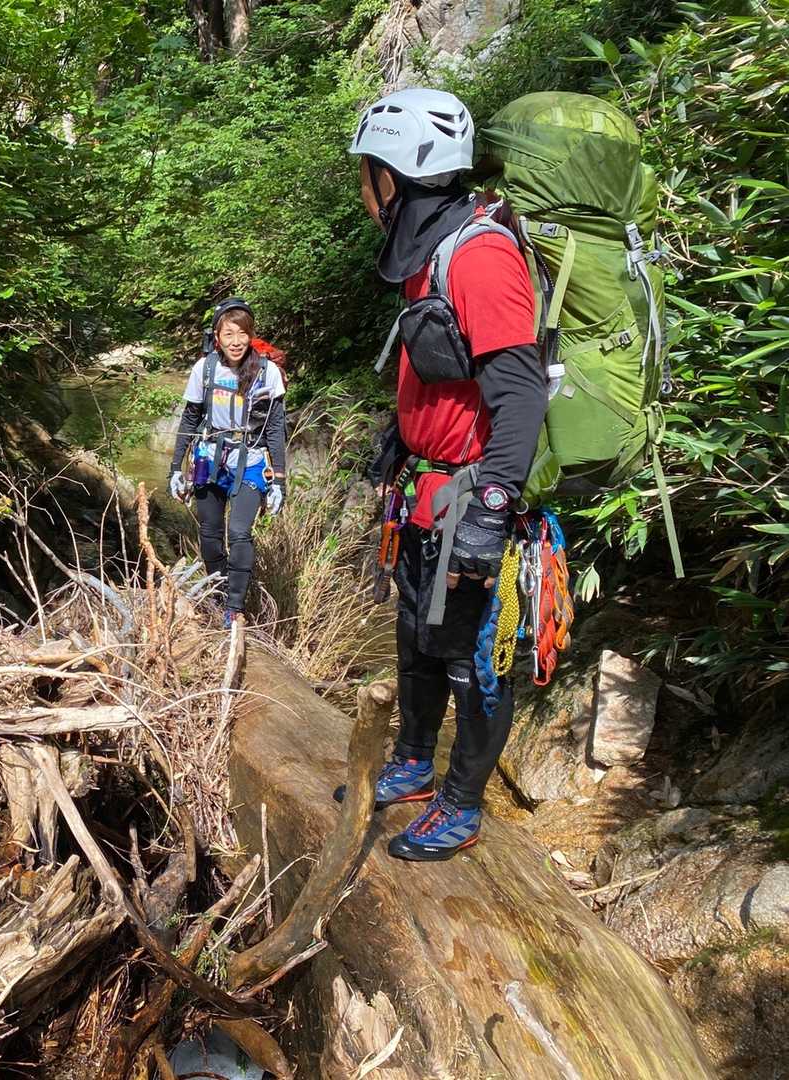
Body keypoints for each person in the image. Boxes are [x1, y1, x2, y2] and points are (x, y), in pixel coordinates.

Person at [344, 88, 547, 860]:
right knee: (417, 641)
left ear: (395, 172)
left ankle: (461, 803)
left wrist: (491, 511)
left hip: (470, 498)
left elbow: (518, 394)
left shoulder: (478, 255)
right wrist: (397, 443)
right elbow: (438, 373)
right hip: (425, 492)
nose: (363, 187)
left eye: (367, 170)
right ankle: (411, 764)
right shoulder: (427, 249)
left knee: (470, 657)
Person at [167, 298, 288, 628]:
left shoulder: (267, 372)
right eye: (228, 334)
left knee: (238, 531)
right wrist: (175, 469)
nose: (236, 341)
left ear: (251, 335)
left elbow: (275, 427)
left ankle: (235, 608)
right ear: (217, 337)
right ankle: (219, 595)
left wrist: (279, 481)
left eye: (242, 333)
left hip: (251, 459)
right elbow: (190, 419)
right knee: (209, 533)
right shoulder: (204, 369)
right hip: (209, 458)